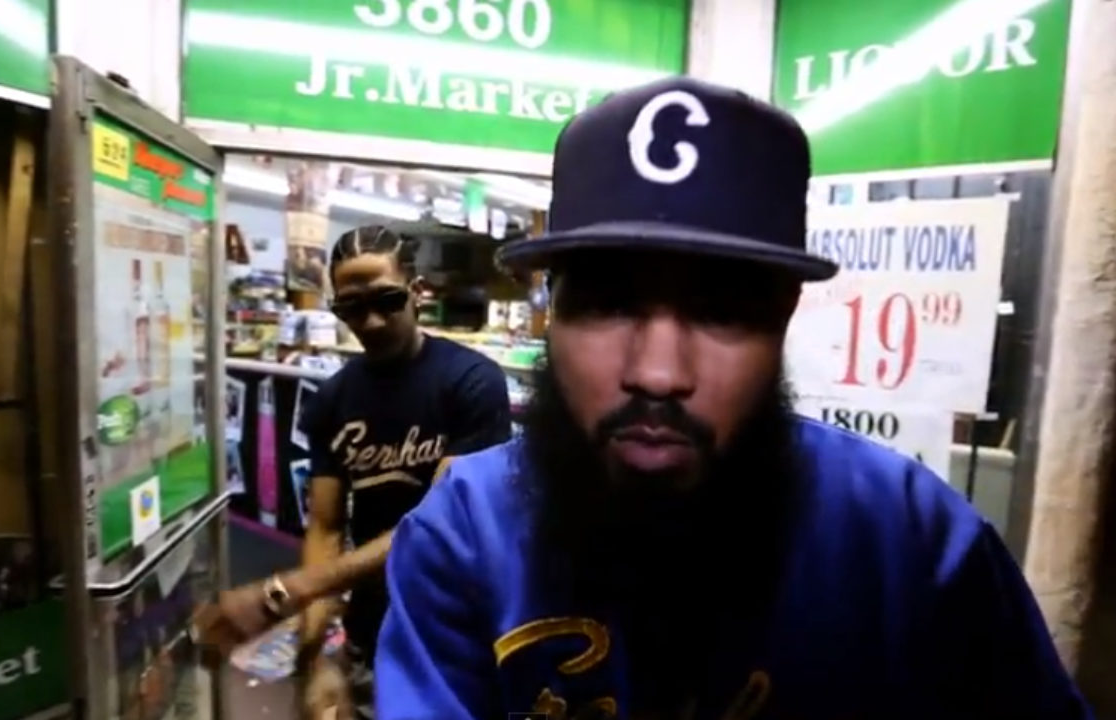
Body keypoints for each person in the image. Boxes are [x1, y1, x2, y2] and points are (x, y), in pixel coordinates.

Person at [372, 78, 1094, 719]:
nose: (658, 373)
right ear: (551, 314)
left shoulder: (911, 538)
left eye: (721, 310)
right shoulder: (461, 535)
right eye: (609, 304)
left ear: (784, 315)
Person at [193, 225, 512, 719]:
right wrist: (315, 658)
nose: (372, 321)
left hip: (458, 637)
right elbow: (325, 528)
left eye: (387, 299)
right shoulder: (333, 400)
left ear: (417, 292)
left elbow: (438, 524)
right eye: (352, 307)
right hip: (370, 636)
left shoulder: (472, 383)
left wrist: (288, 590)